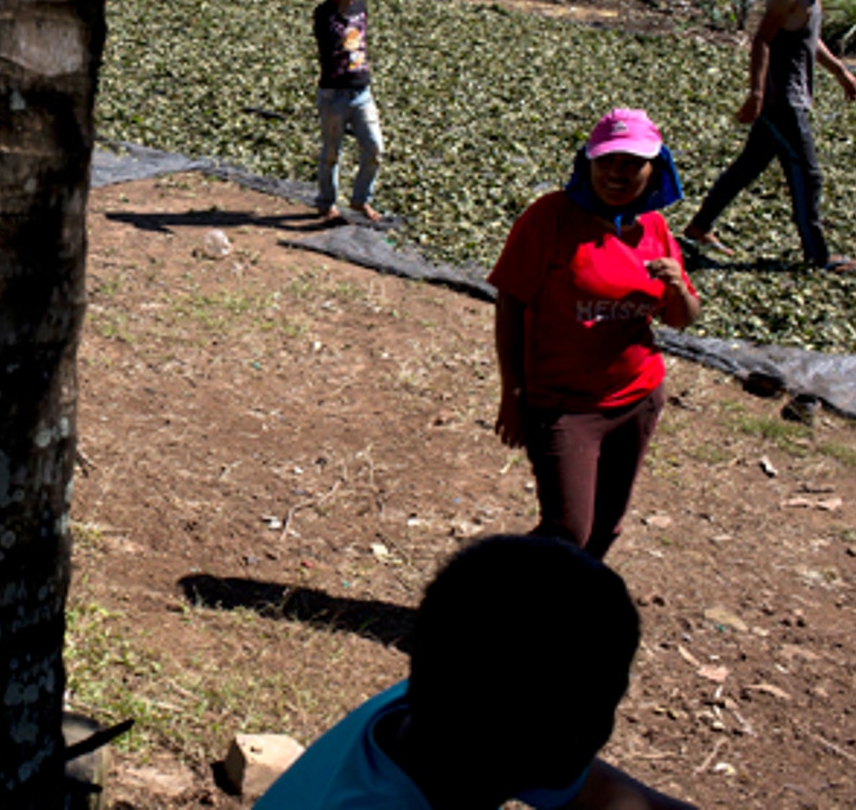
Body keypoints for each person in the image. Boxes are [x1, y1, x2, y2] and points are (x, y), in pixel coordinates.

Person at [254, 534, 697, 809]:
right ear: (570, 736)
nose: (606, 728)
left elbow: (605, 796)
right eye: (605, 705)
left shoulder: (436, 717)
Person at [490, 109, 699, 560]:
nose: (617, 173)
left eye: (632, 163)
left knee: (606, 527)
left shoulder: (655, 229)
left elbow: (681, 319)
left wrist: (678, 286)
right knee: (567, 530)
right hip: (564, 405)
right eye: (606, 161)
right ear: (587, 163)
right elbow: (510, 304)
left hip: (637, 397)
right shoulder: (550, 218)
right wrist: (513, 393)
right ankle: (486, 586)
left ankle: (564, 617)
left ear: (655, 167)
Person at [682, 0, 856, 272]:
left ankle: (698, 227)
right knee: (808, 174)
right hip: (783, 101)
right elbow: (762, 40)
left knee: (748, 167)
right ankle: (818, 256)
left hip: (791, 96)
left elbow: (809, 41)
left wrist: (840, 72)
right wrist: (756, 93)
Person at [311, 0, 385, 223]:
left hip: (361, 90)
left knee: (375, 147)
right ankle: (326, 203)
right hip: (334, 94)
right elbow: (332, 43)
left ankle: (360, 199)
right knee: (331, 152)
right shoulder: (323, 14)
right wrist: (343, 3)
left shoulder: (361, 7)